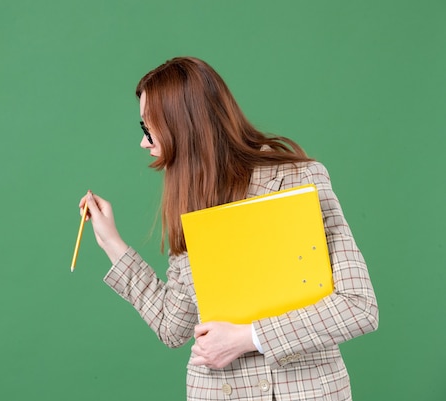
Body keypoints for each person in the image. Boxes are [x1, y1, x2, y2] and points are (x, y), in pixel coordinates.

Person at [79, 57, 378, 401]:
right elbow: (173, 327)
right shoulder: (191, 200)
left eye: (149, 128)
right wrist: (111, 242)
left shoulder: (296, 180)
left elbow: (358, 306)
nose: (144, 142)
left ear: (183, 124)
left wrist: (247, 338)